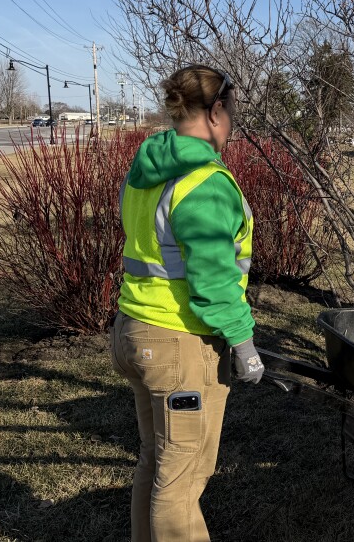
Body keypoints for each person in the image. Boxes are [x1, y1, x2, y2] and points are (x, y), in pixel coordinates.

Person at [110, 64, 264, 542]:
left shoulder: (147, 168)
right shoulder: (205, 183)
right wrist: (244, 344)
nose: (233, 122)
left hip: (133, 329)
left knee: (157, 462)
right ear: (216, 111)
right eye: (232, 111)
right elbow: (214, 280)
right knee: (182, 479)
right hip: (179, 344)